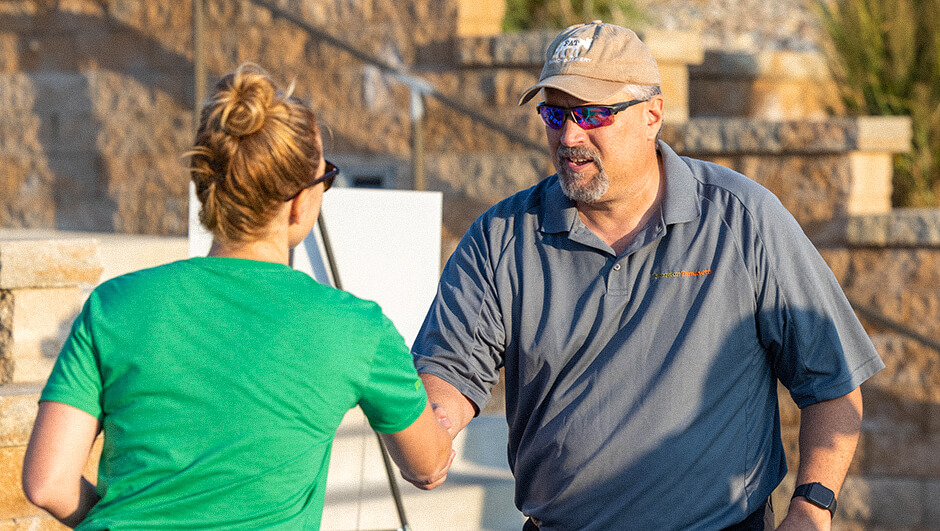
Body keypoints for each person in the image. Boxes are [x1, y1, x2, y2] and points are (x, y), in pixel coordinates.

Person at [412, 21, 884, 530]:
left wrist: (811, 507)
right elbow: (449, 373)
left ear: (652, 114)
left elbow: (832, 383)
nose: (570, 136)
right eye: (555, 113)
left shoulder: (743, 219)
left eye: (592, 114)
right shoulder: (501, 237)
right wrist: (429, 427)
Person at [22, 63, 453, 530]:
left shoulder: (114, 304)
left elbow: (48, 483)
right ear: (298, 201)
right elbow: (427, 467)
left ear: (208, 188)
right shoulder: (356, 328)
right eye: (323, 177)